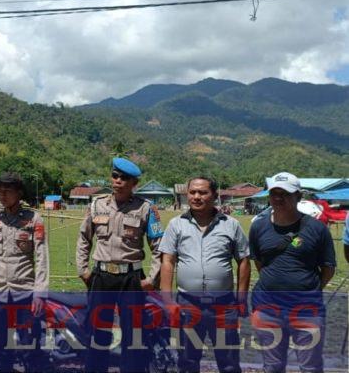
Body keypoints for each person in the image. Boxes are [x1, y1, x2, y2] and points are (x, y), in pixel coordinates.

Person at [75, 157, 164, 373]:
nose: (118, 181)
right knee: (97, 330)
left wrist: (152, 278)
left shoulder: (146, 209)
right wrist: (83, 270)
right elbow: (84, 239)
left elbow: (159, 246)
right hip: (101, 276)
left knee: (133, 334)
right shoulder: (97, 205)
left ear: (134, 184)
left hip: (131, 278)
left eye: (124, 178)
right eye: (115, 176)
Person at [159, 176, 250, 373]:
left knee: (229, 362)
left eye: (203, 192)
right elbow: (167, 261)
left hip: (224, 305)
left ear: (214, 195)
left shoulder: (231, 225)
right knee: (188, 360)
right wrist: (167, 300)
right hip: (188, 304)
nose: (197, 196)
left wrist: (241, 298)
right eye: (192, 192)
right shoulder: (176, 224)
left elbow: (243, 260)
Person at [249, 172, 335, 373]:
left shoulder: (317, 229)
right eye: (274, 193)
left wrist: (307, 288)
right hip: (267, 308)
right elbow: (260, 264)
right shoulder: (258, 227)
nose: (278, 198)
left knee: (310, 366)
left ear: (298, 196)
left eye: (285, 194)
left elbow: (328, 268)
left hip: (307, 309)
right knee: (272, 366)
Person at [0, 172, 48, 372]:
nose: (2, 196)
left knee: (29, 344)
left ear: (19, 193)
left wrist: (40, 292)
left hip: (26, 292)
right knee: (1, 346)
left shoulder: (33, 220)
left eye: (7, 191)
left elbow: (42, 258)